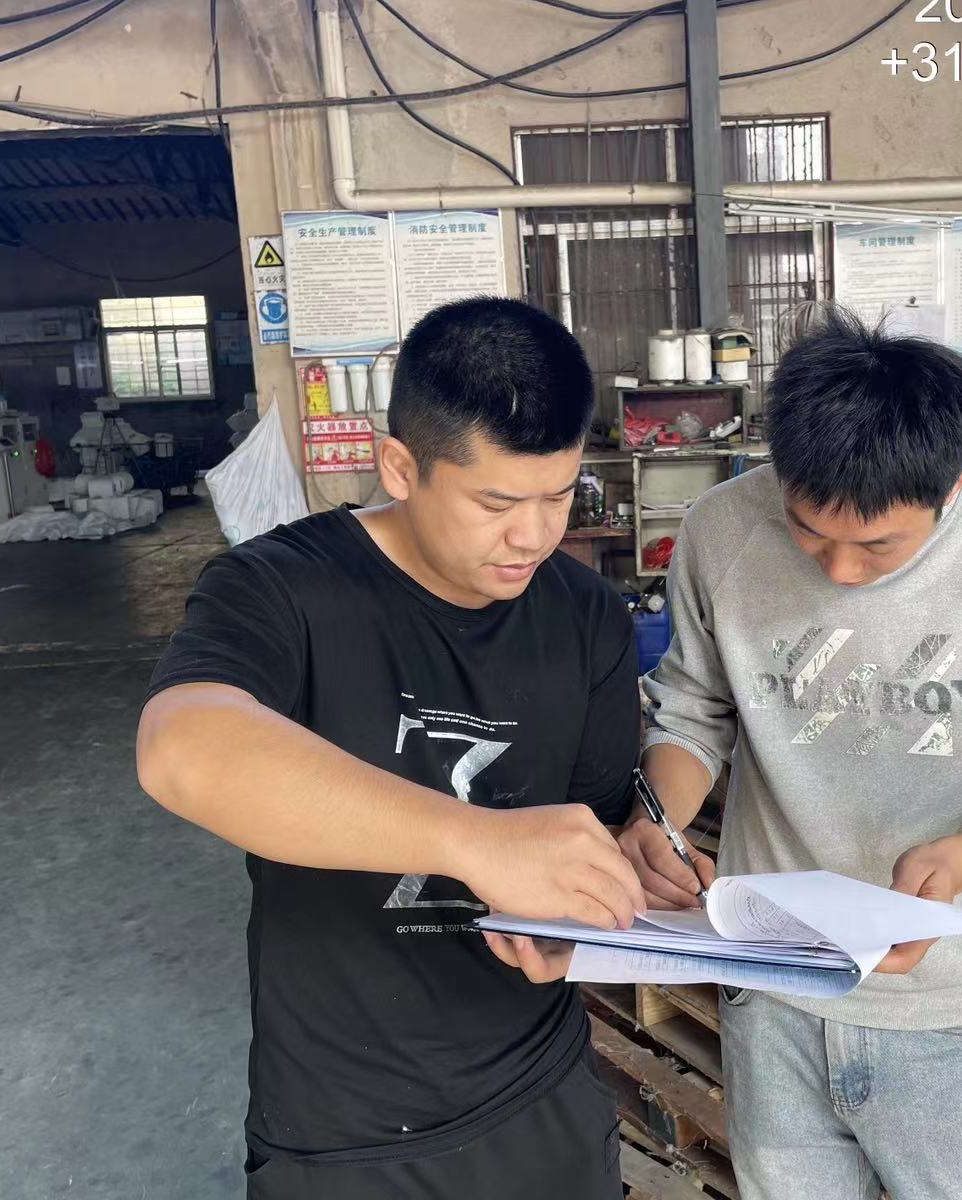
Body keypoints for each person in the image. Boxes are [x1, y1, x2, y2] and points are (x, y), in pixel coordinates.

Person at [136, 297, 646, 1200]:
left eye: (559, 495)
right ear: (401, 467)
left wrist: (596, 904)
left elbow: (593, 824)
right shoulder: (281, 588)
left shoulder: (587, 616)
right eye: (495, 501)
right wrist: (476, 843)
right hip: (345, 1125)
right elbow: (183, 747)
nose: (534, 535)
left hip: (540, 1092)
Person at [622, 304, 962, 1200]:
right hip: (772, 985)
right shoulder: (721, 529)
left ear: (955, 482)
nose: (839, 571)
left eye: (879, 545)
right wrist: (657, 819)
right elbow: (693, 714)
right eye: (809, 531)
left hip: (946, 1006)